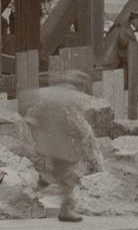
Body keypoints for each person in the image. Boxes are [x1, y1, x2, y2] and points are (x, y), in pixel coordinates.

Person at [24, 83, 91, 222]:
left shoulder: (52, 100)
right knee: (67, 179)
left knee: (54, 176)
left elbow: (32, 118)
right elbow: (76, 126)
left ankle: (32, 190)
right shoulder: (61, 101)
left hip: (57, 147)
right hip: (60, 149)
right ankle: (65, 210)